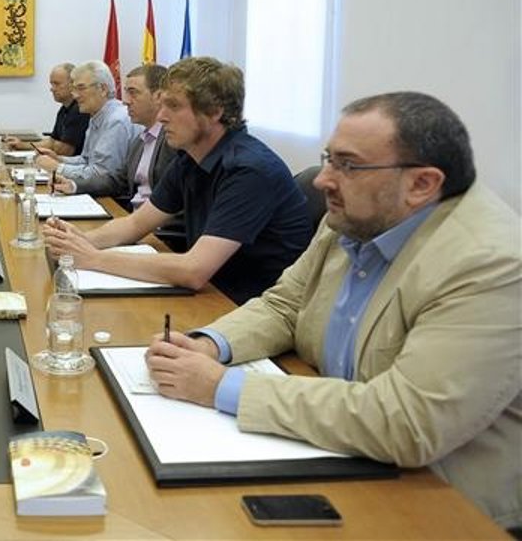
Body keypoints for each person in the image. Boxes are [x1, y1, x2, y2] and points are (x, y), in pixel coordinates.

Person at [144, 92, 521, 530]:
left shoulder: (489, 262)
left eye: (348, 165)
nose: (323, 180)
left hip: (441, 501)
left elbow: (407, 421)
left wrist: (221, 386)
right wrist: (209, 346)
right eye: (329, 159)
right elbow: (286, 304)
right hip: (335, 446)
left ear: (421, 184)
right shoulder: (355, 216)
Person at [42, 57, 312, 304]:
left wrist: (94, 258)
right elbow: (136, 224)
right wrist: (78, 241)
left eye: (173, 106)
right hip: (212, 294)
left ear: (214, 112)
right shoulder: (190, 157)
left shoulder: (250, 170)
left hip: (247, 305)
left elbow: (194, 270)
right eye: (162, 104)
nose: (161, 116)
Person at [34, 61, 138, 197]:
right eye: (74, 89)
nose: (75, 95)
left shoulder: (116, 121)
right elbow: (86, 160)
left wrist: (57, 168)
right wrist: (59, 159)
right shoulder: (96, 116)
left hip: (115, 200)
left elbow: (102, 175)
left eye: (81, 88)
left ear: (103, 89)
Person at [112, 64, 176, 210]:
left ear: (158, 96)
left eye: (133, 93)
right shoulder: (140, 140)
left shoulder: (173, 140)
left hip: (157, 223)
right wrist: (74, 185)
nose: (125, 101)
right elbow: (119, 182)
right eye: (126, 92)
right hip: (133, 216)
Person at [6, 63, 88, 156]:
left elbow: (66, 151)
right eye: (51, 84)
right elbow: (51, 141)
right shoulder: (64, 109)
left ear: (72, 84)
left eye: (57, 84)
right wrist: (22, 145)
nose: (52, 89)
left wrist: (52, 144)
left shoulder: (79, 110)